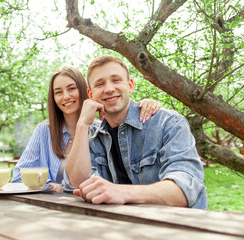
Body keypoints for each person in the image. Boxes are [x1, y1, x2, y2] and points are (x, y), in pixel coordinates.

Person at [64, 55, 207, 209]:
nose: (109, 88)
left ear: (130, 85)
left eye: (116, 80)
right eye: (100, 84)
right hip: (120, 226)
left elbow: (186, 189)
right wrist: (82, 123)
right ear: (91, 95)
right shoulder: (91, 135)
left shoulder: (168, 123)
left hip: (177, 227)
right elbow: (75, 185)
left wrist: (122, 192)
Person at [12, 66, 161, 192]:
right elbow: (18, 177)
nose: (66, 96)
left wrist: (147, 104)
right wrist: (53, 187)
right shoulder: (44, 131)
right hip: (49, 207)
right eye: (58, 92)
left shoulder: (99, 130)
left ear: (85, 91)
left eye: (71, 88)